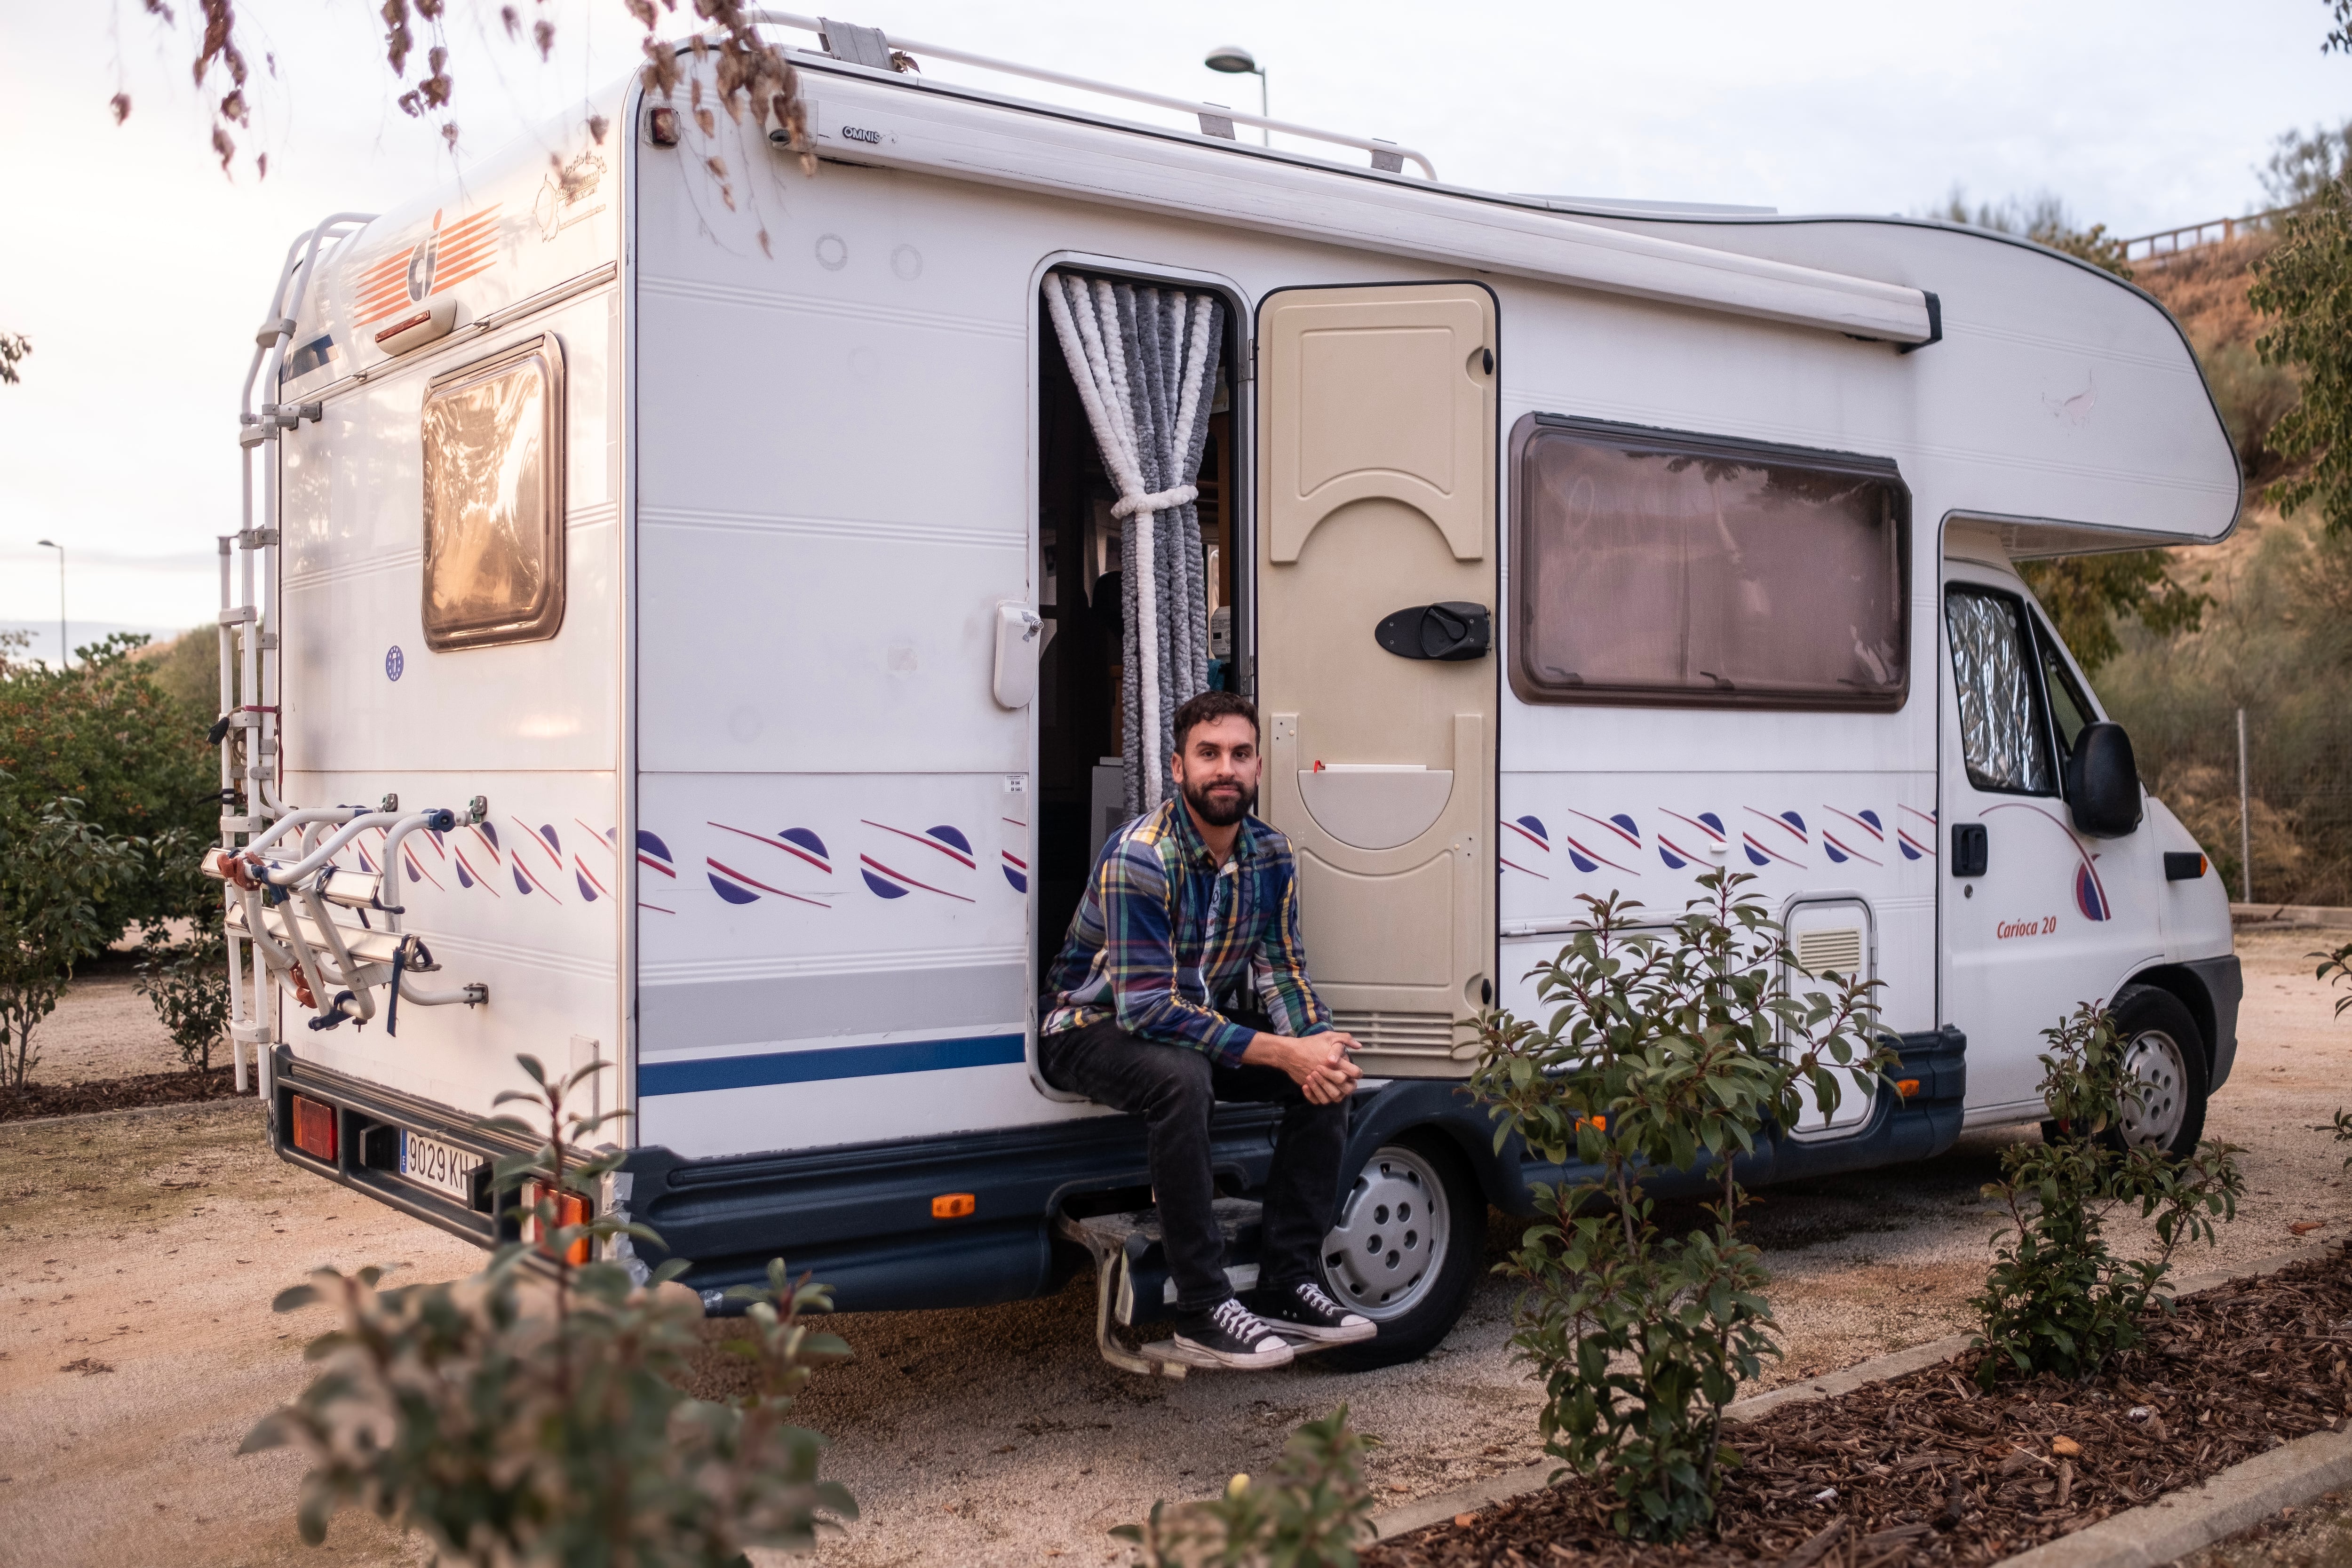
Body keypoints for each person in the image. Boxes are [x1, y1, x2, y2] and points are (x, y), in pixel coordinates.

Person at [1039, 689, 1375, 1369]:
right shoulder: (1143, 855)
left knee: (1328, 1077)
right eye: (1209, 754)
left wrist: (1316, 1049)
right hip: (1088, 1024)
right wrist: (1283, 1051)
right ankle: (1202, 1305)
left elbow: (1283, 970)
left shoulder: (1270, 855)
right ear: (1178, 767)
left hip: (1191, 1018)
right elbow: (1146, 1012)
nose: (1226, 768)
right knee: (1182, 1076)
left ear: (1258, 767)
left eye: (1240, 754)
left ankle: (1287, 1282)